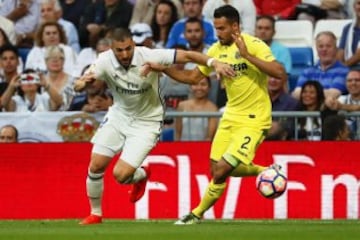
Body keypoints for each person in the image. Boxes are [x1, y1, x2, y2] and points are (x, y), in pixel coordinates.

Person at [73, 27, 234, 225]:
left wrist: (213, 62)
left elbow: (186, 55)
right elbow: (82, 82)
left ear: (133, 44)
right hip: (118, 116)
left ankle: (141, 175)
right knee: (96, 166)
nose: (124, 54)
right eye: (119, 50)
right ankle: (95, 214)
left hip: (147, 122)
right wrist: (80, 84)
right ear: (112, 49)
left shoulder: (149, 55)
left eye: (128, 48)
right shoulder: (104, 60)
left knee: (121, 175)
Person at [146, 5, 286, 224]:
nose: (218, 33)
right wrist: (163, 69)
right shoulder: (215, 51)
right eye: (215, 28)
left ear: (235, 26)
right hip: (231, 116)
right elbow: (193, 78)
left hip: (254, 119)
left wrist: (247, 55)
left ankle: (195, 214)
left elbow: (279, 73)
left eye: (222, 28)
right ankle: (266, 170)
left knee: (221, 170)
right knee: (215, 169)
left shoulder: (254, 44)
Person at [292, 31, 349, 100]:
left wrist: (307, 94)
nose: (324, 49)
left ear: (335, 49)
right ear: (316, 49)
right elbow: (296, 94)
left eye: (328, 46)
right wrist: (322, 93)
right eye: (321, 46)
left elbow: (333, 94)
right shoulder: (307, 72)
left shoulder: (344, 72)